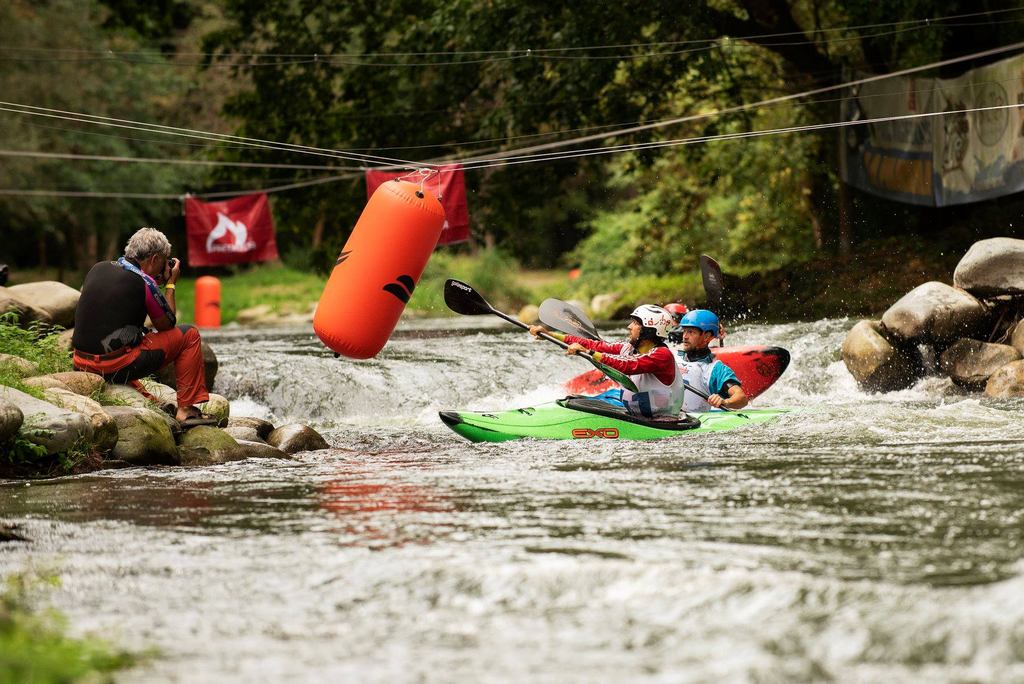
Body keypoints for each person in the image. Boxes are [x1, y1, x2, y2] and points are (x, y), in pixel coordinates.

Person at [71, 227, 216, 427]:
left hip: (80, 361)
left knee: (125, 345)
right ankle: (186, 411)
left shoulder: (99, 267)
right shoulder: (144, 281)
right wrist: (171, 284)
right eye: (163, 262)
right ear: (155, 259)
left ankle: (149, 400)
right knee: (189, 334)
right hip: (112, 365)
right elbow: (167, 324)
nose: (163, 269)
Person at [529, 305, 686, 418]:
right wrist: (550, 334)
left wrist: (589, 353)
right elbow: (595, 344)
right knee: (576, 401)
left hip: (664, 422)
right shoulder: (627, 348)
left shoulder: (662, 355)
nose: (629, 326)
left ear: (649, 330)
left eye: (636, 323)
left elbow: (628, 366)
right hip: (637, 416)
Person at [673, 309, 748, 411]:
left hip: (692, 422)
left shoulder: (715, 369)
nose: (685, 336)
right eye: (684, 331)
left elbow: (742, 398)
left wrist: (724, 402)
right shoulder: (672, 356)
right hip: (666, 417)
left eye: (691, 332)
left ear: (707, 336)